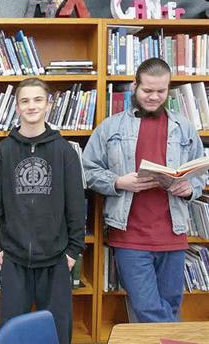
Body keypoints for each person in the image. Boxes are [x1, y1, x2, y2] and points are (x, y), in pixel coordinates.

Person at [83, 58, 206, 322]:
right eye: (147, 90)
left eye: (161, 91)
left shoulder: (183, 127)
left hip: (173, 233)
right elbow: (87, 170)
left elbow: (200, 173)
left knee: (170, 307)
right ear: (134, 86)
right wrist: (118, 182)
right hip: (129, 234)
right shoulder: (111, 127)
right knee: (148, 309)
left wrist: (189, 189)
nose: (153, 97)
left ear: (168, 89)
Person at [0, 77, 86, 344]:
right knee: (12, 331)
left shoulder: (65, 152)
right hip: (14, 258)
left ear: (49, 105)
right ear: (16, 107)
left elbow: (76, 204)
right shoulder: (2, 152)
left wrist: (73, 250)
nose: (31, 106)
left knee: (57, 331)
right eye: (25, 101)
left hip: (56, 258)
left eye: (38, 99)